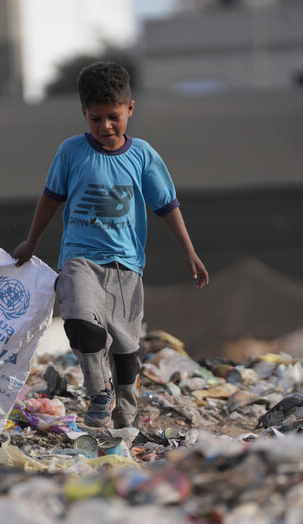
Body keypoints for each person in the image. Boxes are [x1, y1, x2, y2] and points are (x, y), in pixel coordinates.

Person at [13, 61, 208, 428]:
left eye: (113, 117)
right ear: (83, 113)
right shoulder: (71, 152)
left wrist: (189, 252)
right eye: (95, 119)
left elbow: (167, 206)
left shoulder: (143, 156)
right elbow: (50, 199)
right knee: (81, 321)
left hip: (126, 265)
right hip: (80, 259)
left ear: (130, 108)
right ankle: (98, 390)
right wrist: (30, 242)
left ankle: (126, 411)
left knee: (125, 347)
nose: (105, 127)